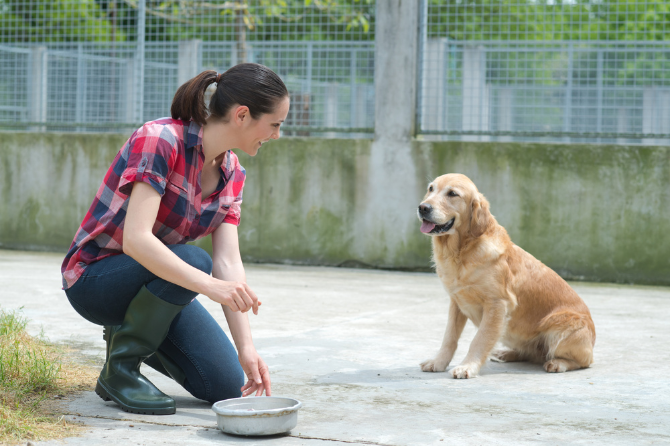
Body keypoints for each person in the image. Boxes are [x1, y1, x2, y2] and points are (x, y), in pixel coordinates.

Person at [61, 63, 290, 415]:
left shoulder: (233, 176)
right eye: (275, 124)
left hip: (158, 284)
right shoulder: (161, 140)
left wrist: (247, 349)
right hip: (96, 280)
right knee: (195, 260)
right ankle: (120, 370)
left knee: (226, 386)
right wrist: (210, 286)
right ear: (242, 115)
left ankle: (130, 333)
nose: (276, 134)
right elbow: (137, 240)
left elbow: (228, 264)